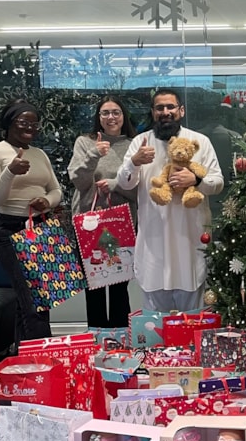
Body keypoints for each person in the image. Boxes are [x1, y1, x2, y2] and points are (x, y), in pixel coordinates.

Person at [115, 88, 223, 312]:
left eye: (170, 107)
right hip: (154, 243)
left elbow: (218, 183)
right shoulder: (140, 142)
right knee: (156, 327)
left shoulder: (199, 141)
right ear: (153, 112)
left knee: (192, 321)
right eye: (160, 108)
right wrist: (134, 162)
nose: (165, 112)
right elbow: (124, 183)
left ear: (181, 110)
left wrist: (195, 180)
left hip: (190, 240)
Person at [0, 99, 63, 349]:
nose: (31, 128)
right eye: (24, 122)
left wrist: (46, 200)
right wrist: (10, 172)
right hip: (12, 230)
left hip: (42, 227)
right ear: (9, 123)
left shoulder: (39, 153)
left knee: (40, 300)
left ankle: (24, 358)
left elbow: (56, 189)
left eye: (34, 123)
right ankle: (45, 359)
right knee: (33, 300)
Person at [67, 96, 137, 328]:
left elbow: (139, 191)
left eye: (115, 112)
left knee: (119, 287)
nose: (111, 117)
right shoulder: (85, 142)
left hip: (122, 224)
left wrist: (115, 184)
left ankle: (120, 339)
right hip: (89, 224)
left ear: (123, 115)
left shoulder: (133, 145)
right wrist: (94, 154)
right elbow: (78, 180)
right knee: (94, 287)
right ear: (98, 117)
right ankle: (97, 339)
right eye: (105, 113)